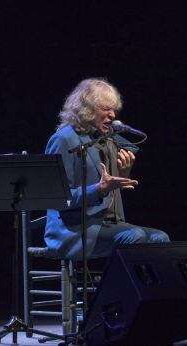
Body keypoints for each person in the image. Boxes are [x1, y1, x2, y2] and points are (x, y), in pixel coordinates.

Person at [45, 78, 170, 260]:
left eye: (114, 110)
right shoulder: (64, 140)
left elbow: (114, 176)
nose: (113, 115)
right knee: (135, 237)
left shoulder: (108, 139)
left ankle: (147, 289)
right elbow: (58, 199)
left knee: (161, 238)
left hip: (110, 225)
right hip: (74, 230)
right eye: (106, 109)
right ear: (87, 109)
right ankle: (120, 289)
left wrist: (123, 173)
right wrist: (99, 189)